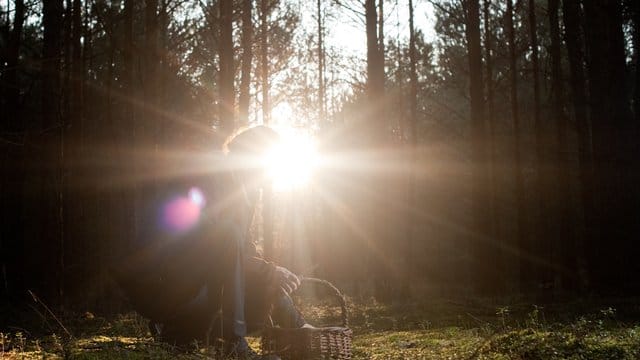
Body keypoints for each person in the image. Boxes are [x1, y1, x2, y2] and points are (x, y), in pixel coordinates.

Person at [114, 126, 307, 359]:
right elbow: (211, 236)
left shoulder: (248, 191)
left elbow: (241, 250)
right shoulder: (209, 173)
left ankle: (181, 335)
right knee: (227, 233)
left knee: (264, 277)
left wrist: (273, 278)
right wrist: (268, 269)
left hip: (193, 282)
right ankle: (233, 346)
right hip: (158, 282)